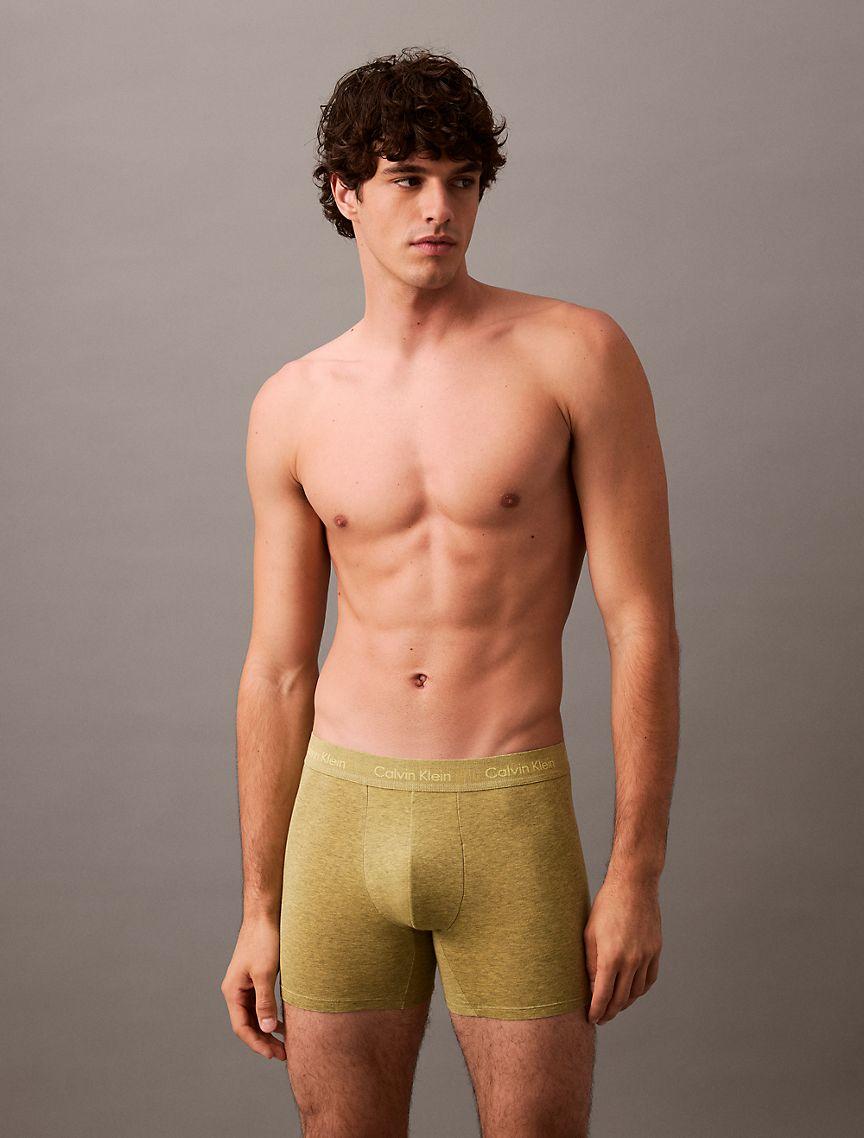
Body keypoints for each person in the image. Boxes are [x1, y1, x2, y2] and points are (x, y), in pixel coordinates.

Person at [221, 46, 680, 1138]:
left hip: (508, 811)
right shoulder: (292, 404)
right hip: (341, 820)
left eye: (462, 180)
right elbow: (278, 669)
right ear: (346, 192)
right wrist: (259, 907)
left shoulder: (576, 355)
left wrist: (636, 872)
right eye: (408, 179)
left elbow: (641, 625)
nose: (440, 209)